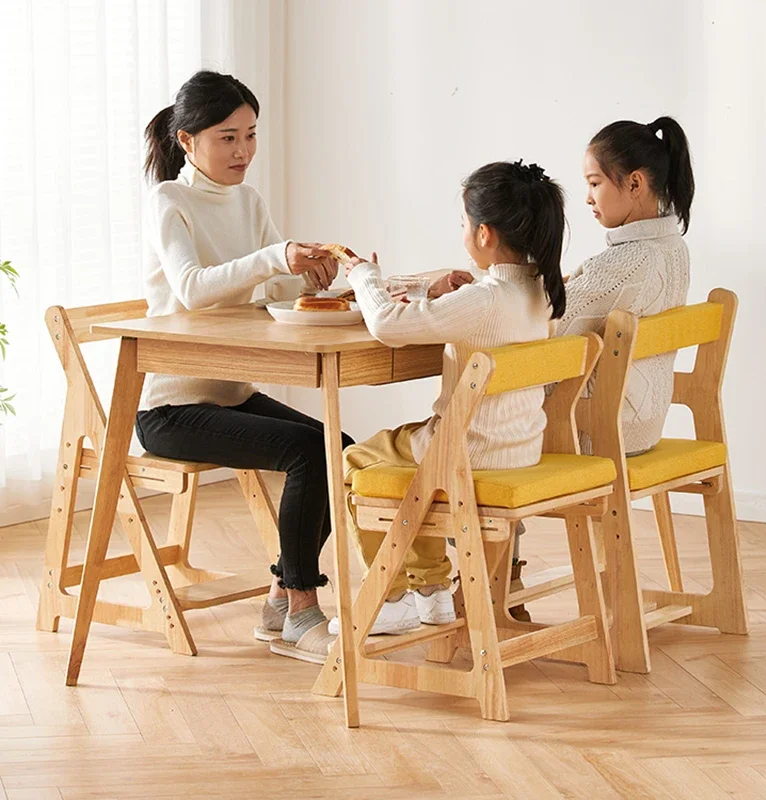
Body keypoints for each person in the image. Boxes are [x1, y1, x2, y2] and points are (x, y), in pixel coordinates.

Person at [136, 70, 352, 663]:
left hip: (230, 396)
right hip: (173, 408)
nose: (243, 151)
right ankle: (302, 610)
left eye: (251, 135)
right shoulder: (169, 201)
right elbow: (193, 289)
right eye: (227, 137)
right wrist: (274, 257)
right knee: (308, 453)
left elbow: (271, 283)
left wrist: (313, 269)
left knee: (343, 448)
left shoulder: (248, 200)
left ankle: (282, 595)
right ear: (187, 141)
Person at [329, 159, 567, 635]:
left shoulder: (484, 301)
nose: (462, 233)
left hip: (468, 453)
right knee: (406, 458)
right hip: (519, 449)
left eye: (463, 224)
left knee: (356, 461)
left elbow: (387, 326)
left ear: (484, 234)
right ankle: (432, 592)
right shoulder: (542, 292)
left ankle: (393, 596)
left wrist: (363, 276)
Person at [558, 116, 695, 455]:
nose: (589, 198)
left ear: (635, 184)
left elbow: (552, 324)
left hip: (598, 427)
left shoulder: (629, 262)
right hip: (644, 423)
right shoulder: (673, 249)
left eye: (595, 183)